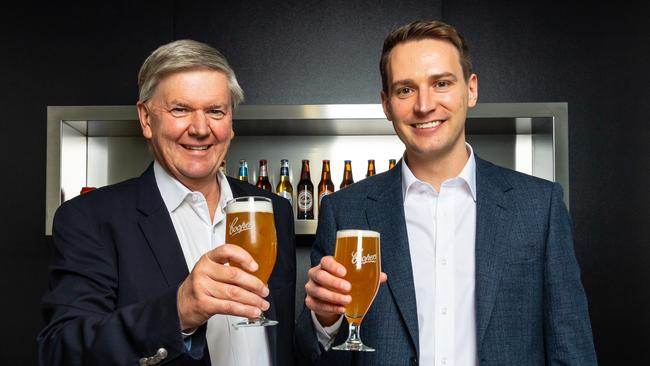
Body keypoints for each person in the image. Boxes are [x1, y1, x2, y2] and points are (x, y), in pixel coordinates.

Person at [295, 20, 597, 365]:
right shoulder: (343, 210)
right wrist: (326, 320)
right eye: (405, 90)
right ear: (386, 104)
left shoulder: (539, 206)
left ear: (471, 89)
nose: (424, 105)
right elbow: (308, 353)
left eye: (441, 83)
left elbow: (572, 350)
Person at [38, 40, 296, 366]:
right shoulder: (90, 218)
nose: (201, 129)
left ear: (230, 122)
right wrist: (176, 312)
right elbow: (61, 349)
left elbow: (282, 342)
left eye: (215, 111)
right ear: (146, 119)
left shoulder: (274, 210)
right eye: (180, 109)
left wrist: (323, 322)